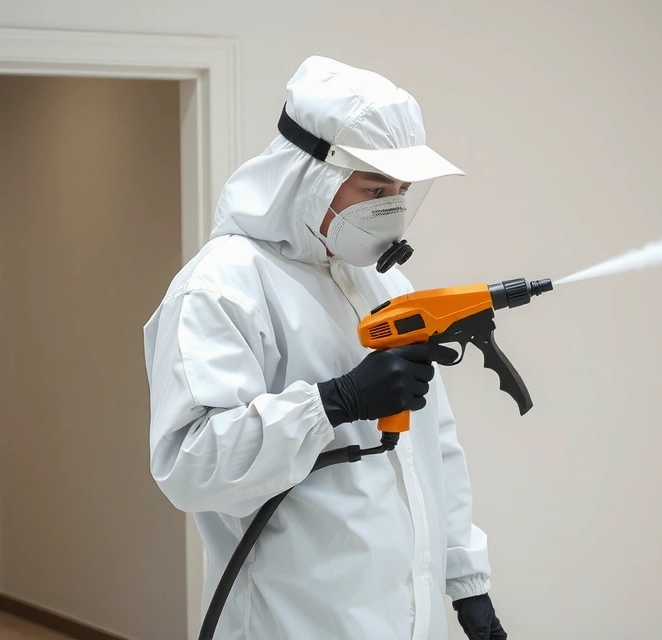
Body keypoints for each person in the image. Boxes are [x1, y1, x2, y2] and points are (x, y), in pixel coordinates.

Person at [143, 56, 507, 640]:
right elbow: (191, 464)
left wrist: (466, 582)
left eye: (401, 190)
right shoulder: (223, 286)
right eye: (373, 187)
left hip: (408, 619)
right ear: (310, 173)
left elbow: (434, 446)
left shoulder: (381, 282)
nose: (389, 206)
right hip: (294, 620)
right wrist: (334, 402)